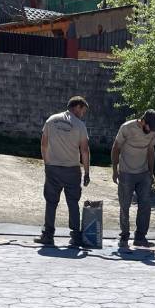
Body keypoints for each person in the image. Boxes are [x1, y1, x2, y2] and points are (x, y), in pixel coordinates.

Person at [39, 97, 91, 249]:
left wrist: (47, 163)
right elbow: (85, 151)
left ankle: (48, 235)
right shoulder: (80, 125)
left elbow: (43, 144)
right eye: (83, 110)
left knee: (51, 202)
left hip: (53, 168)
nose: (83, 113)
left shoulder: (51, 120)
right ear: (77, 107)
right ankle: (75, 237)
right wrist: (87, 172)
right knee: (73, 203)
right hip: (72, 170)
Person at [112, 110, 155, 250]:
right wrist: (115, 170)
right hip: (126, 173)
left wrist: (151, 172)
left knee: (145, 205)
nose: (150, 131)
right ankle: (124, 237)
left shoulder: (152, 131)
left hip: (143, 173)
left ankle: (140, 237)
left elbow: (151, 150)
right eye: (148, 127)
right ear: (143, 121)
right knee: (124, 205)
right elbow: (116, 147)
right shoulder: (127, 128)